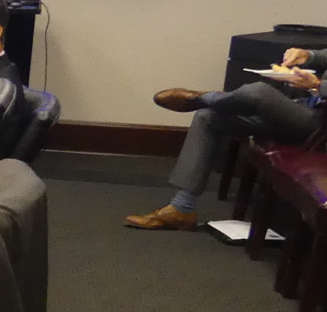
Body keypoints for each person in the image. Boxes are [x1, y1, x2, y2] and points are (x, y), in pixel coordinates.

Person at [125, 47, 327, 229]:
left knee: (258, 92)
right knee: (208, 118)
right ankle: (182, 208)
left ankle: (203, 98)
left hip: (320, 127)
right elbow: (322, 57)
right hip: (305, 109)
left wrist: (317, 85)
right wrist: (308, 55)